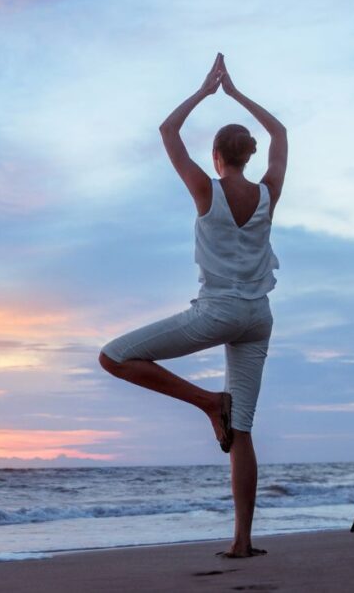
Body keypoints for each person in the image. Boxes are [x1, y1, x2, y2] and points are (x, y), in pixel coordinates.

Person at [97, 52, 288, 559]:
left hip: (218, 312)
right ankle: (242, 543)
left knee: (113, 356)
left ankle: (207, 402)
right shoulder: (268, 193)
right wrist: (237, 93)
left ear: (218, 157)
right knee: (241, 429)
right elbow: (281, 132)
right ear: (248, 156)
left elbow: (168, 131)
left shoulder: (206, 189)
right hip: (259, 317)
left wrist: (207, 90)